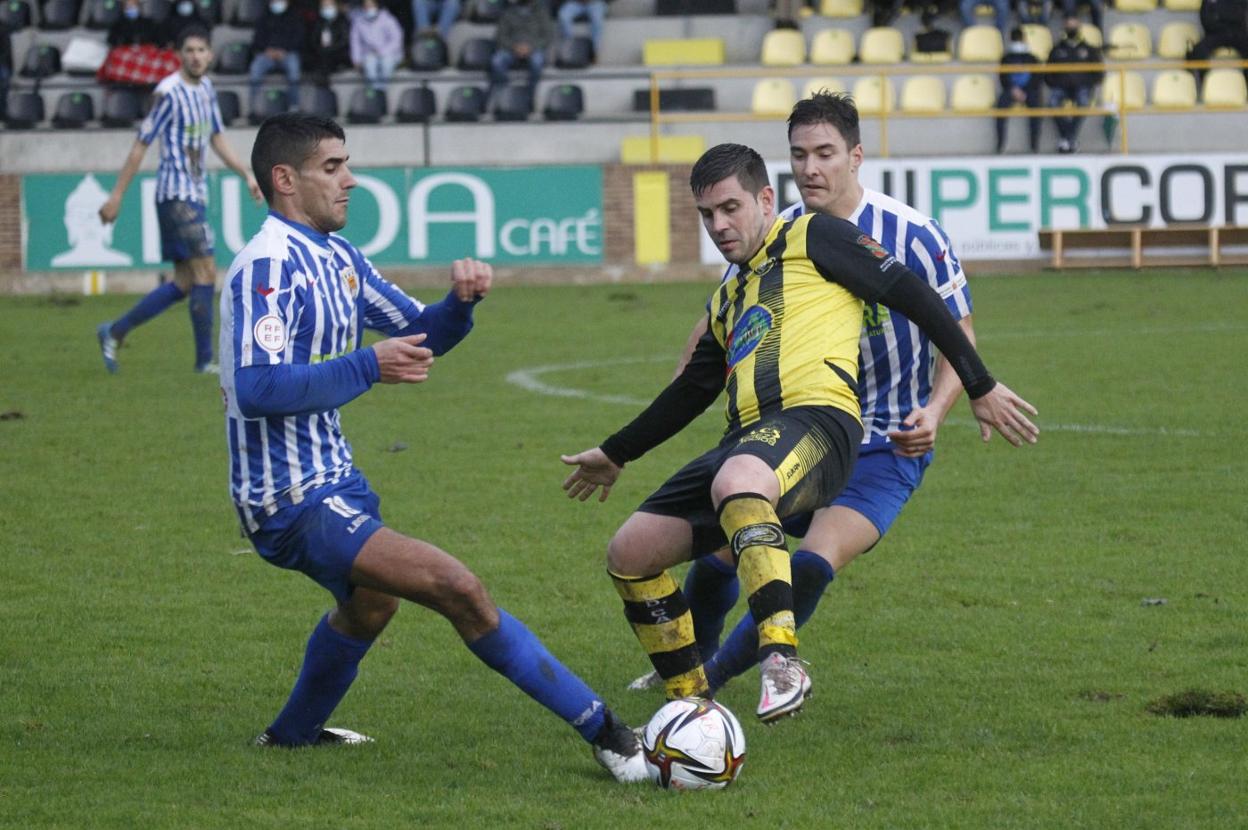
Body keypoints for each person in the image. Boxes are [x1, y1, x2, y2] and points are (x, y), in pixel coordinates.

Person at [221, 112, 646, 783]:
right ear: (283, 179)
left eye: (346, 164)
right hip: (288, 497)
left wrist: (459, 303)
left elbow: (421, 337)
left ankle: (292, 736)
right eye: (332, 168)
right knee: (459, 588)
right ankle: (611, 735)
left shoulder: (339, 258)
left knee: (372, 604)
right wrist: (368, 364)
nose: (350, 180)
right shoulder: (267, 268)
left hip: (336, 481)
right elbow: (258, 388)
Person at [561, 142, 1038, 724]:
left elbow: (914, 294)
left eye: (731, 208)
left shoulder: (816, 236)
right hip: (749, 442)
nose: (719, 225)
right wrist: (616, 452)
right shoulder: (730, 296)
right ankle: (692, 708)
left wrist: (978, 383)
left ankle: (782, 662)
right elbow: (691, 390)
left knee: (741, 483)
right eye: (707, 215)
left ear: (766, 198)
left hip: (821, 423)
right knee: (630, 552)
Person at [96, 26, 262, 375]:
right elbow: (141, 144)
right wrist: (116, 196)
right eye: (189, 50)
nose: (196, 56)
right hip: (176, 193)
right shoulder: (168, 93)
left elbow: (216, 137)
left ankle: (113, 332)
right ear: (180, 55)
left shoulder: (206, 89)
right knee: (206, 271)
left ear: (211, 55)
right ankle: (204, 363)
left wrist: (245, 173)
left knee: (185, 282)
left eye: (202, 50)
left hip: (195, 192)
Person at [1045, 17, 1102, 154]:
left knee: (1083, 102)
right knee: (1052, 102)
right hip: (1061, 87)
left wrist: (1088, 83)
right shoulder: (1057, 49)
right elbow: (1047, 72)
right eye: (1069, 27)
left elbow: (1099, 73)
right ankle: (1070, 139)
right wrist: (1055, 83)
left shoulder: (1088, 50)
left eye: (1074, 27)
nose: (1071, 30)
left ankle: (1066, 138)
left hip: (1082, 87)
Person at [488, 0, 555, 100]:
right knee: (496, 61)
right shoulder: (508, 13)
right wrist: (514, 47)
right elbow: (500, 37)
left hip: (533, 49)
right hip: (511, 50)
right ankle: (505, 89)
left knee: (537, 62)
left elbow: (548, 36)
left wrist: (531, 47)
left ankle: (530, 93)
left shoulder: (541, 12)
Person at [248, 0, 305, 107]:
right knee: (255, 69)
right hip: (267, 54)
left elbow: (299, 39)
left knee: (294, 70)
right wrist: (267, 50)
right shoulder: (263, 17)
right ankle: (253, 107)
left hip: (287, 54)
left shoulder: (295, 17)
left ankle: (294, 106)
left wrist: (285, 50)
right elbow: (257, 40)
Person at [996, 26, 1044, 154]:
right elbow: (1003, 78)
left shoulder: (1032, 58)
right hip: (1011, 90)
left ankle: (1034, 146)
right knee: (1000, 108)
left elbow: (1037, 79)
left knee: (1037, 109)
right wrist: (1013, 89)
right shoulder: (1006, 58)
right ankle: (1000, 145)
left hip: (1028, 90)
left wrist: (1024, 91)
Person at [1186, 0, 1248, 84]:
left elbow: (1239, 16)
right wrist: (1225, 17)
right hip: (1215, 34)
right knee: (1198, 51)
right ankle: (1205, 82)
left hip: (1236, 34)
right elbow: (1205, 19)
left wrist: (1218, 17)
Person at [350, 0, 404, 91]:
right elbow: (355, 41)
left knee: (386, 64)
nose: (369, 8)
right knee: (370, 65)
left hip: (389, 53)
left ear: (377, 6)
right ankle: (376, 94)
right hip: (369, 54)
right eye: (366, 6)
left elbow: (397, 39)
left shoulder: (388, 19)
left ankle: (380, 93)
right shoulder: (358, 21)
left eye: (371, 5)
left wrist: (382, 51)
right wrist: (356, 59)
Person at [306, 0, 352, 87]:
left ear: (335, 6)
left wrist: (330, 48)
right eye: (324, 6)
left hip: (339, 54)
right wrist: (321, 48)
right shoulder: (318, 22)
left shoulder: (342, 20)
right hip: (321, 54)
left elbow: (344, 40)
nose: (327, 8)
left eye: (329, 5)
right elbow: (313, 39)